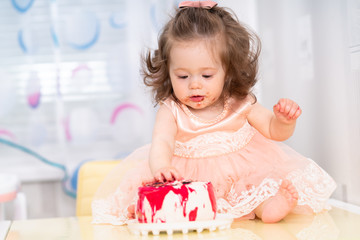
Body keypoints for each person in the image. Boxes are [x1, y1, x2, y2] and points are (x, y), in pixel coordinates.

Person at [92, 1, 336, 225]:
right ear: (168, 72)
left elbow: (273, 130)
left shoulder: (240, 103)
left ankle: (267, 206)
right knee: (174, 203)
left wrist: (284, 121)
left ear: (227, 71)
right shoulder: (171, 110)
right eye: (183, 76)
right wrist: (161, 169)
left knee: (258, 187)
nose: (194, 84)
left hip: (241, 176)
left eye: (206, 75)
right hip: (191, 182)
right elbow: (162, 143)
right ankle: (170, 211)